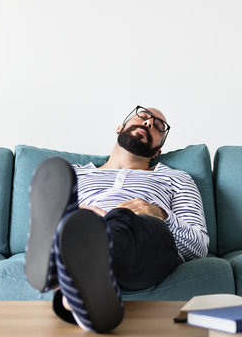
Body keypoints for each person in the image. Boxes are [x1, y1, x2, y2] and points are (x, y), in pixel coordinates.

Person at [25, 105, 209, 333]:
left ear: (157, 152)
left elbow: (199, 246)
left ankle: (67, 280)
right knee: (78, 223)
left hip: (148, 246)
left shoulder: (177, 178)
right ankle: (77, 294)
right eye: (143, 116)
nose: (149, 123)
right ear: (119, 127)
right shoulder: (73, 174)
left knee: (122, 217)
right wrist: (76, 214)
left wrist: (160, 214)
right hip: (84, 235)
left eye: (159, 126)